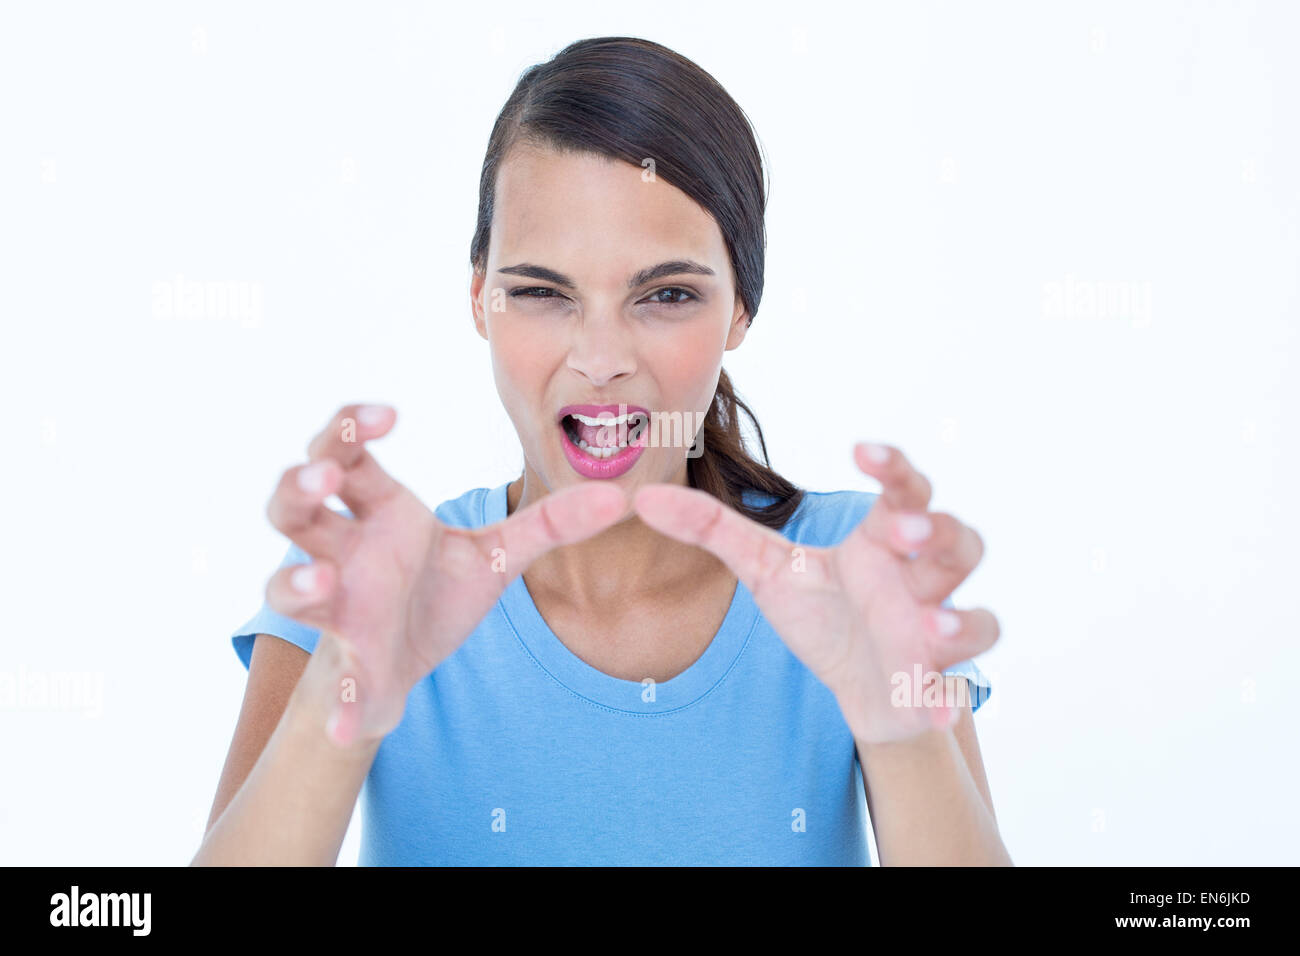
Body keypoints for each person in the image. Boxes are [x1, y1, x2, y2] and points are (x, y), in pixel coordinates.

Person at [193, 36, 1009, 866]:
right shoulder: (368, 585)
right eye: (543, 292)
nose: (601, 356)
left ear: (740, 309)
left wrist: (899, 723)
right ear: (479, 297)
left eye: (666, 294)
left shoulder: (854, 573)